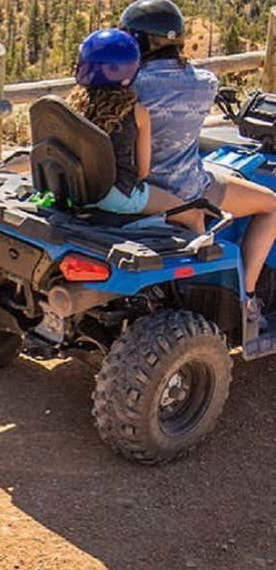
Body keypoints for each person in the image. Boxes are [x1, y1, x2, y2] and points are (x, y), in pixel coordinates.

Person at [122, 0, 276, 330]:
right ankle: (246, 297)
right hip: (184, 189)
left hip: (134, 186)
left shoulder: (129, 84)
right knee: (272, 205)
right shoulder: (205, 83)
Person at [68, 28, 199, 231]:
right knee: (193, 215)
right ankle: (204, 255)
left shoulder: (73, 105)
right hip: (115, 195)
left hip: (74, 188)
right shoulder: (137, 112)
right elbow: (143, 171)